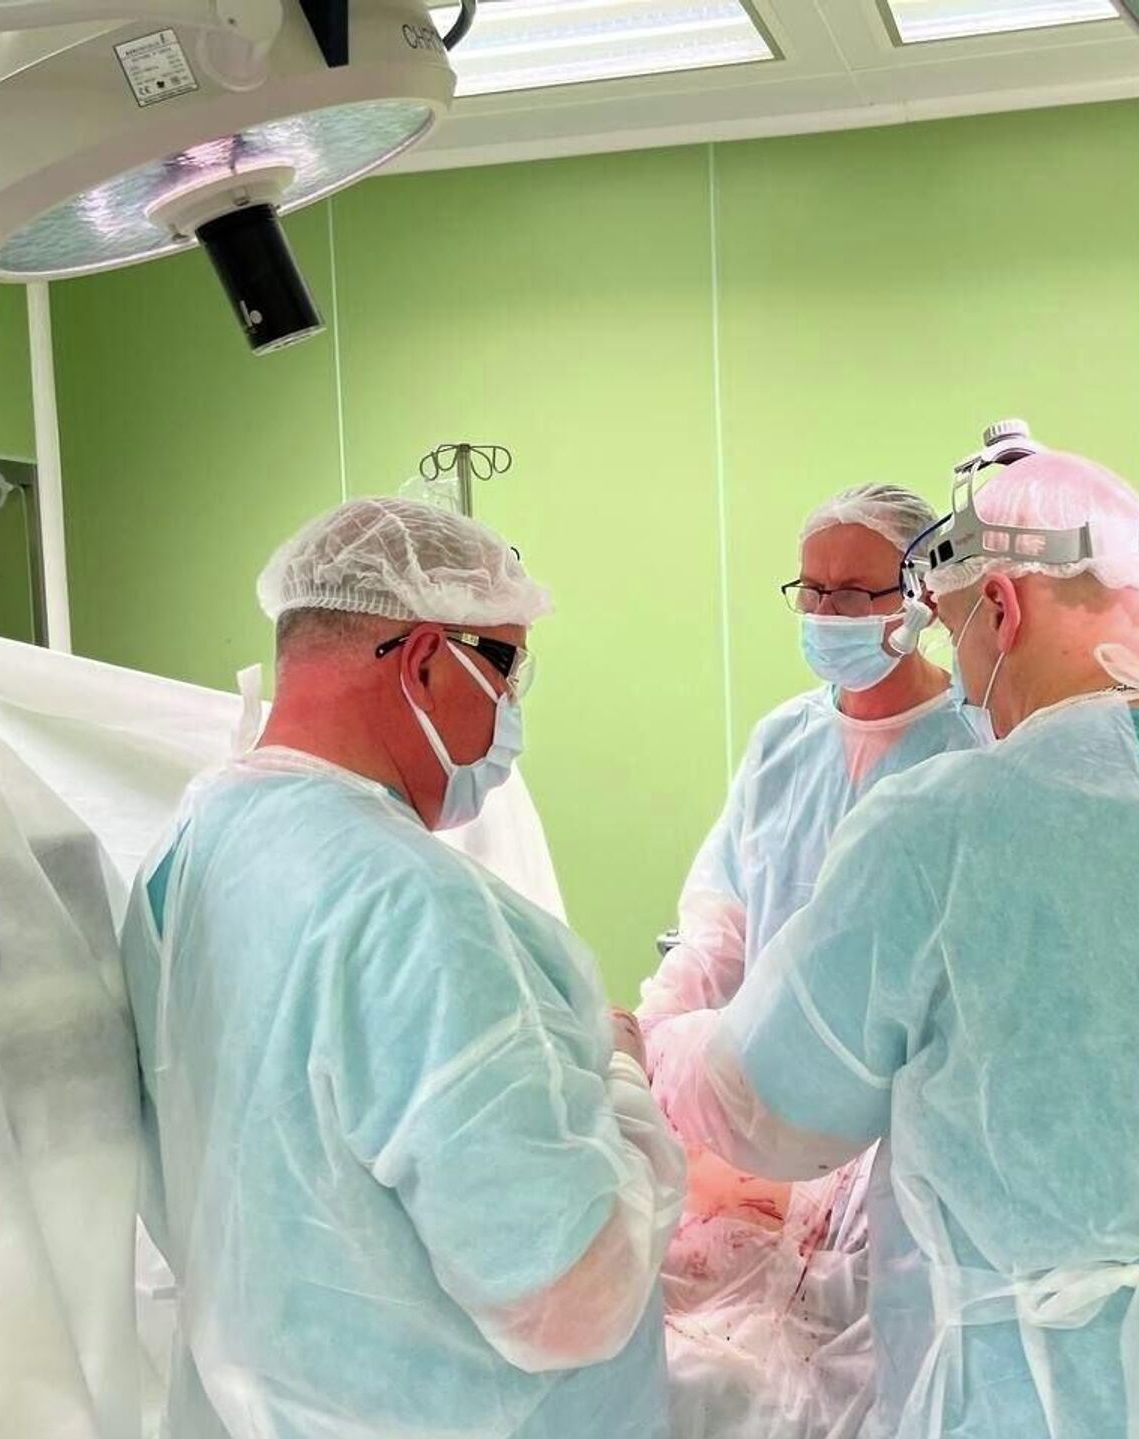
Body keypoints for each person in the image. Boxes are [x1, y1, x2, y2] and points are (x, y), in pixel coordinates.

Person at [654, 438, 1139, 1437]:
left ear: (1002, 606)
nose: (963, 672)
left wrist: (665, 1043)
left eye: (956, 632)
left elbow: (772, 1110)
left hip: (1031, 1404)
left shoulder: (952, 821)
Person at [121, 497, 684, 1439]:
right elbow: (567, 1295)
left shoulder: (189, 846)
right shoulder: (413, 908)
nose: (510, 710)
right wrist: (623, 1083)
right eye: (505, 668)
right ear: (425, 660)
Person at [639, 483, 975, 1439]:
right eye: (813, 591)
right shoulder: (784, 740)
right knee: (723, 1348)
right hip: (771, 1096)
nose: (829, 614)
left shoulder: (974, 746)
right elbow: (723, 917)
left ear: (921, 594)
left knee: (872, 1359)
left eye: (856, 592)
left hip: (907, 1116)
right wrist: (654, 1036)